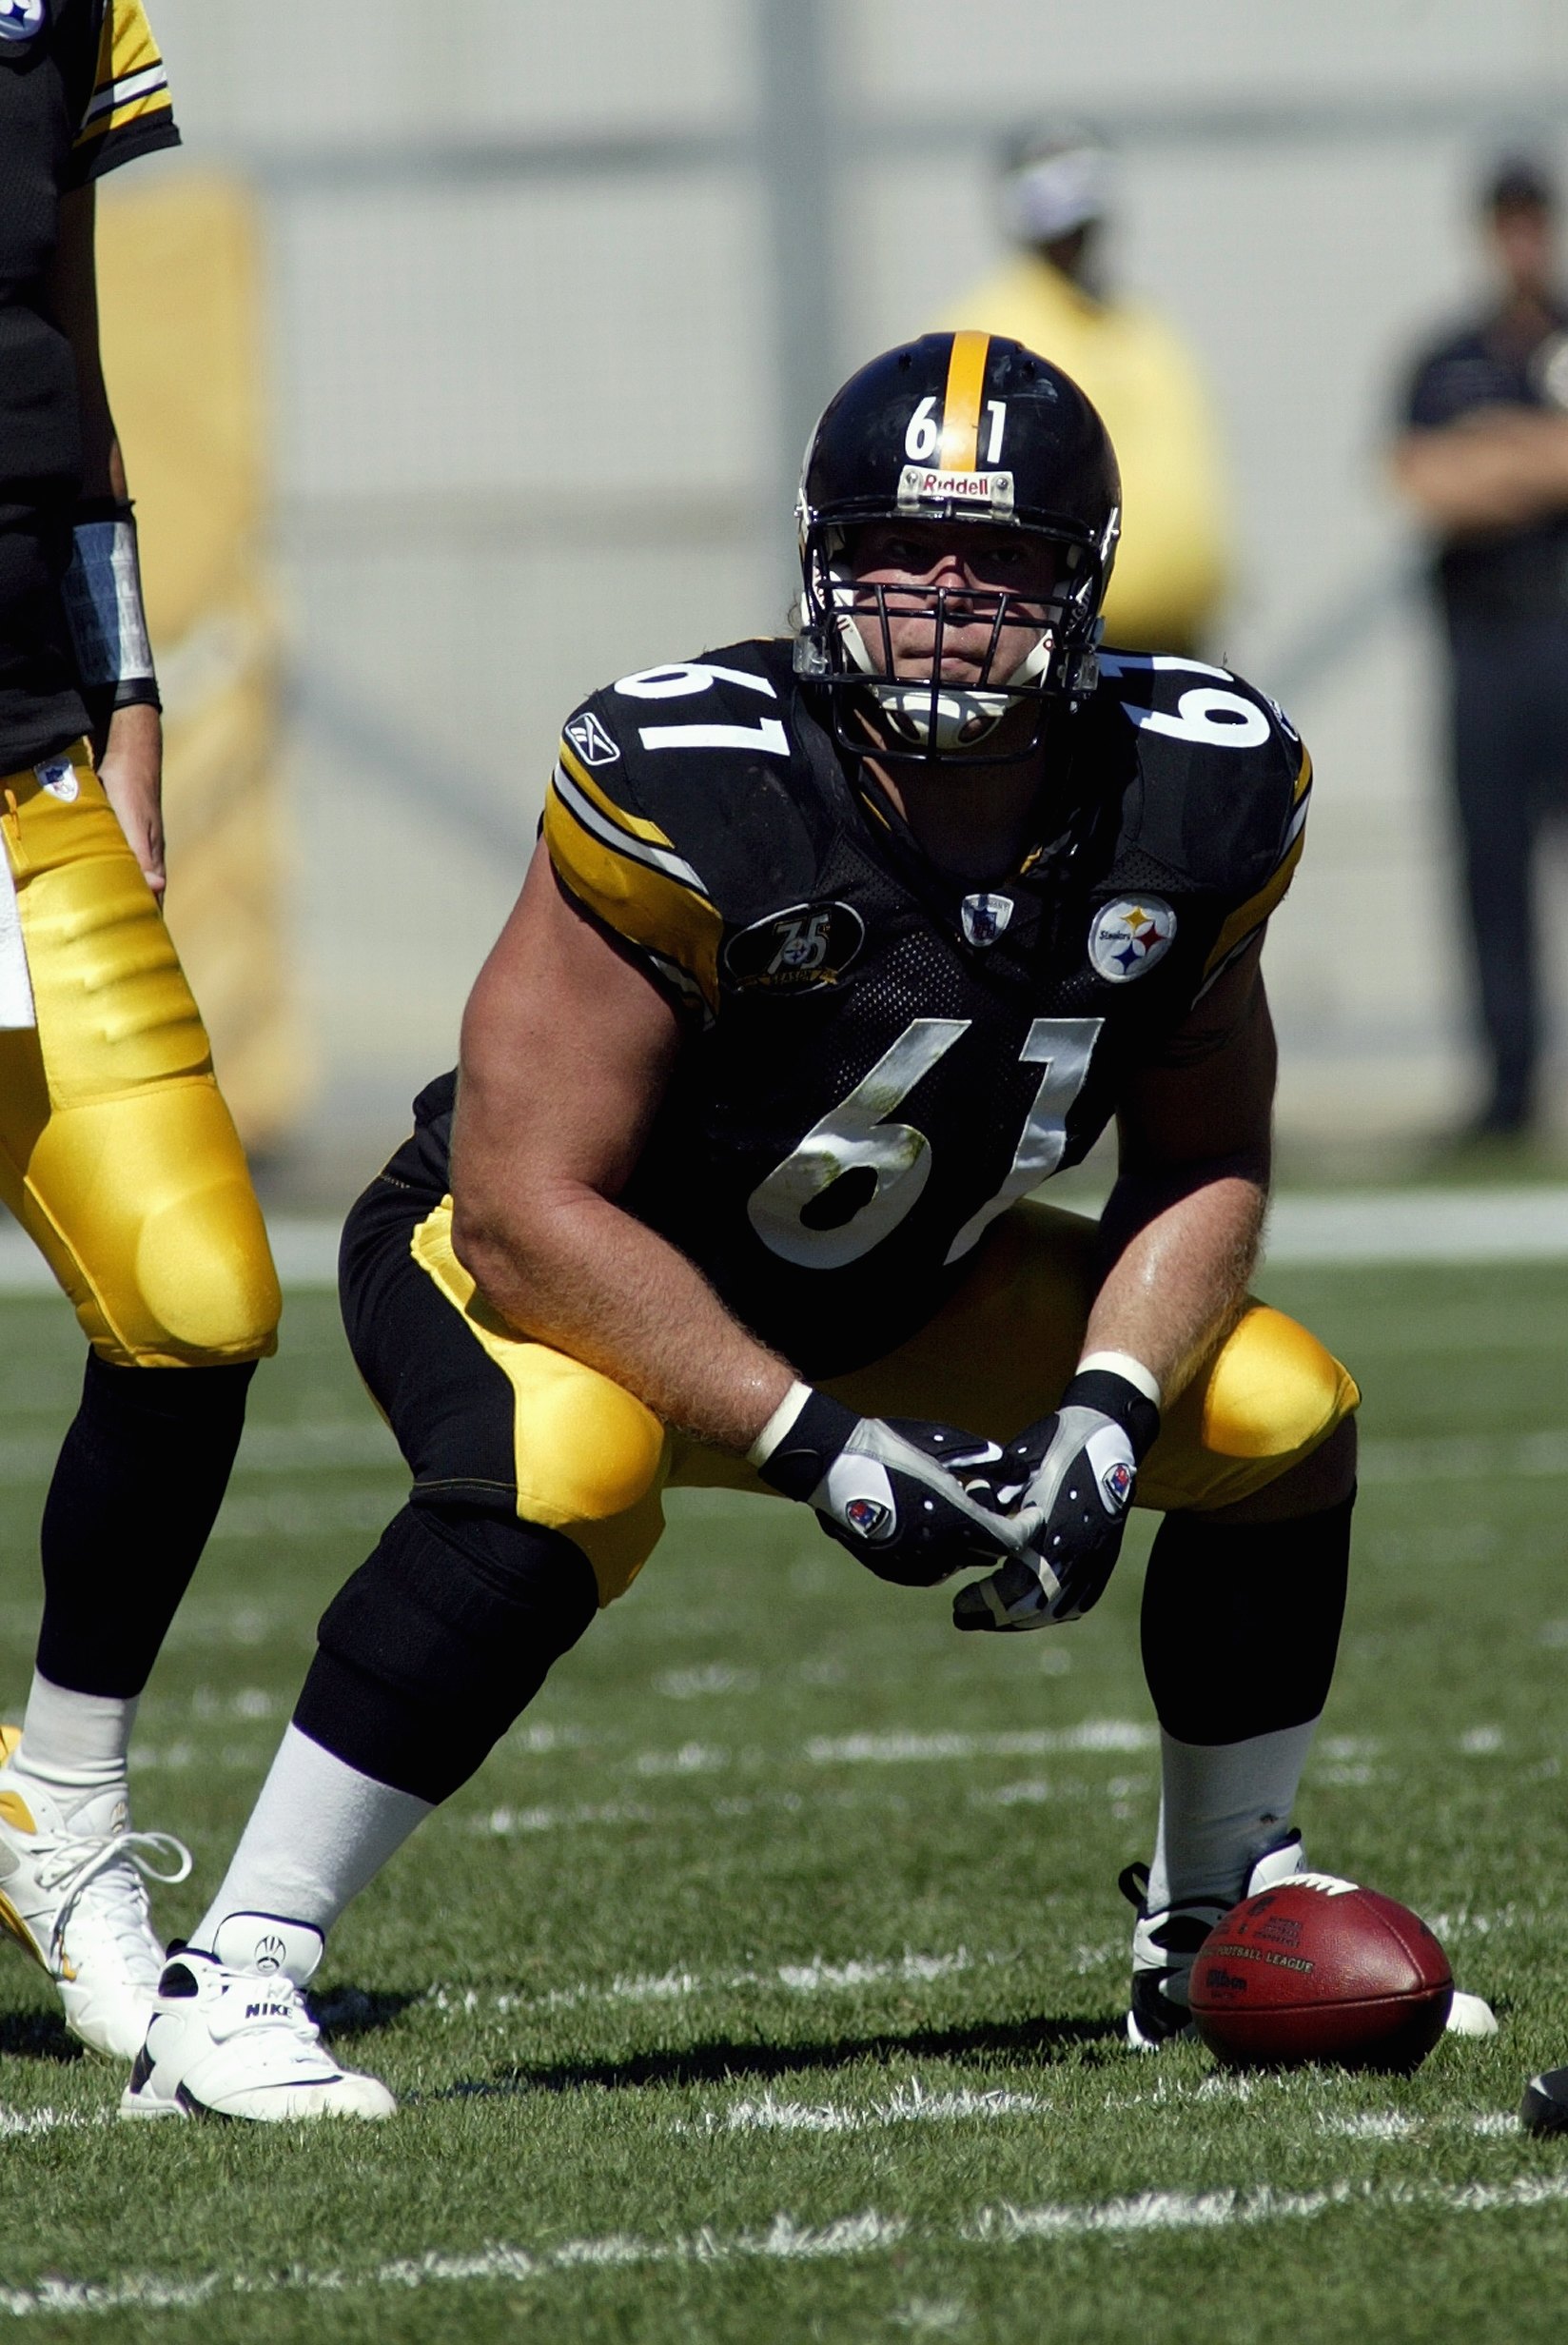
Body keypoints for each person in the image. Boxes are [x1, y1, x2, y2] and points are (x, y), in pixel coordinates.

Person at [124, 331, 1362, 2123]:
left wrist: (1100, 1413)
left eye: (999, 561)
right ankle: (225, 1974)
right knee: (570, 1465)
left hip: (898, 1279)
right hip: (548, 1266)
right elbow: (526, 1202)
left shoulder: (1192, 792)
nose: (944, 602)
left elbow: (1202, 1165)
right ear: (816, 571)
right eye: (895, 557)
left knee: (1272, 1409)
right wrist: (814, 1443)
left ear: (1081, 583)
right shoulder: (703, 776)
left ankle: (1215, 1924)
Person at [0, 1, 280, 2059]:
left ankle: (61, 1807)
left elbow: (67, 364)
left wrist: (133, 682)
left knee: (193, 1298)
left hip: (22, 769)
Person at [1391, 155, 1568, 1141]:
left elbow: (1474, 470)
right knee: (1489, 869)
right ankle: (1506, 1086)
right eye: (1505, 224)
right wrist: (1539, 455)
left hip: (1561, 623)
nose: (1521, 243)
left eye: (1532, 222)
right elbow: (1424, 481)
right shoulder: (1442, 357)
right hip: (1484, 642)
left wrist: (1491, 455)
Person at [936, 124, 1231, 656]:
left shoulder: (1137, 320)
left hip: (1178, 634)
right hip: (1067, 637)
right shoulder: (993, 332)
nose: (1075, 239)